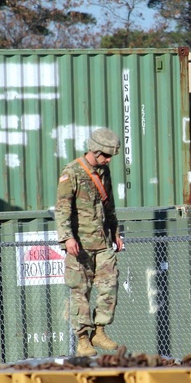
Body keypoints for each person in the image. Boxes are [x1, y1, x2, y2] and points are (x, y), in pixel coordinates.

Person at [55, 127, 125, 357]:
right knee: (80, 292)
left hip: (102, 242)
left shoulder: (104, 172)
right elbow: (62, 209)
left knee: (109, 286)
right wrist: (67, 238)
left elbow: (109, 205)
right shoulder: (71, 172)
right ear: (94, 151)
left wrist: (115, 232)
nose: (108, 160)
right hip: (80, 245)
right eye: (105, 155)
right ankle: (83, 340)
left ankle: (99, 330)